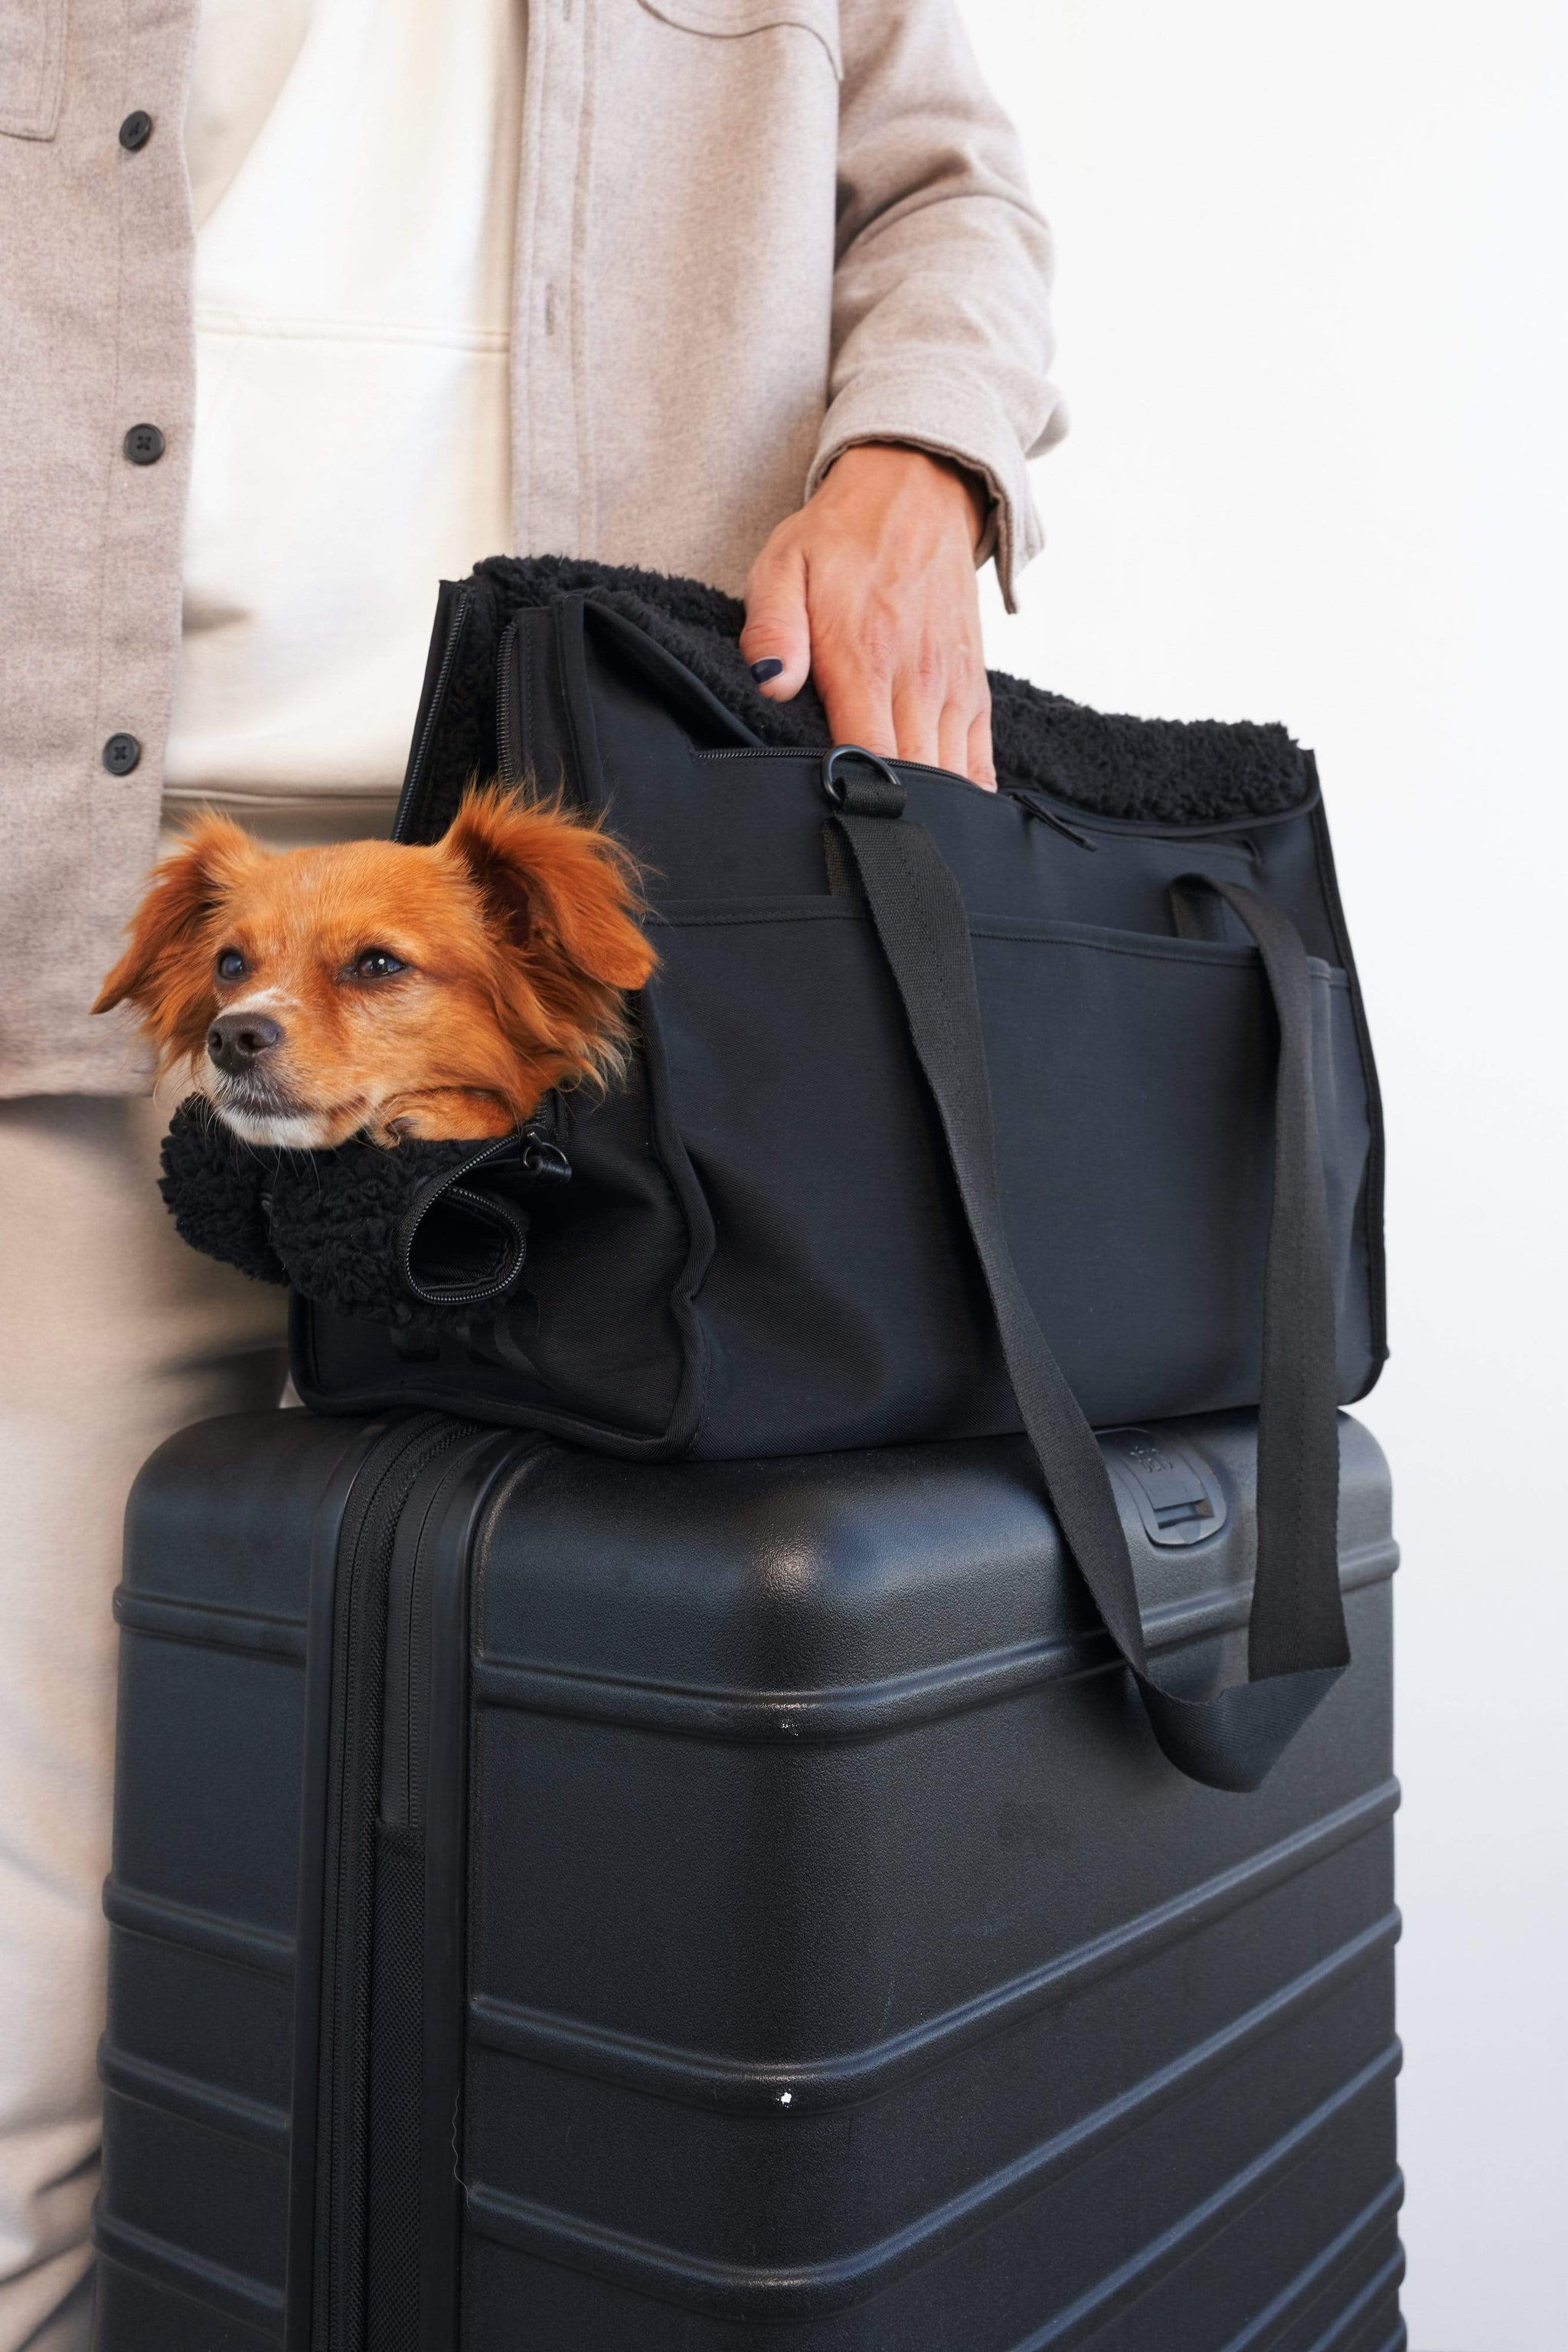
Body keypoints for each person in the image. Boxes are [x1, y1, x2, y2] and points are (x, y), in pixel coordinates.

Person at [0, 0, 1061, 2340]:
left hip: (605, 989)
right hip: (86, 943)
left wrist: (924, 448)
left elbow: (949, 187)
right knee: (31, 1995)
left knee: (645, 1918)